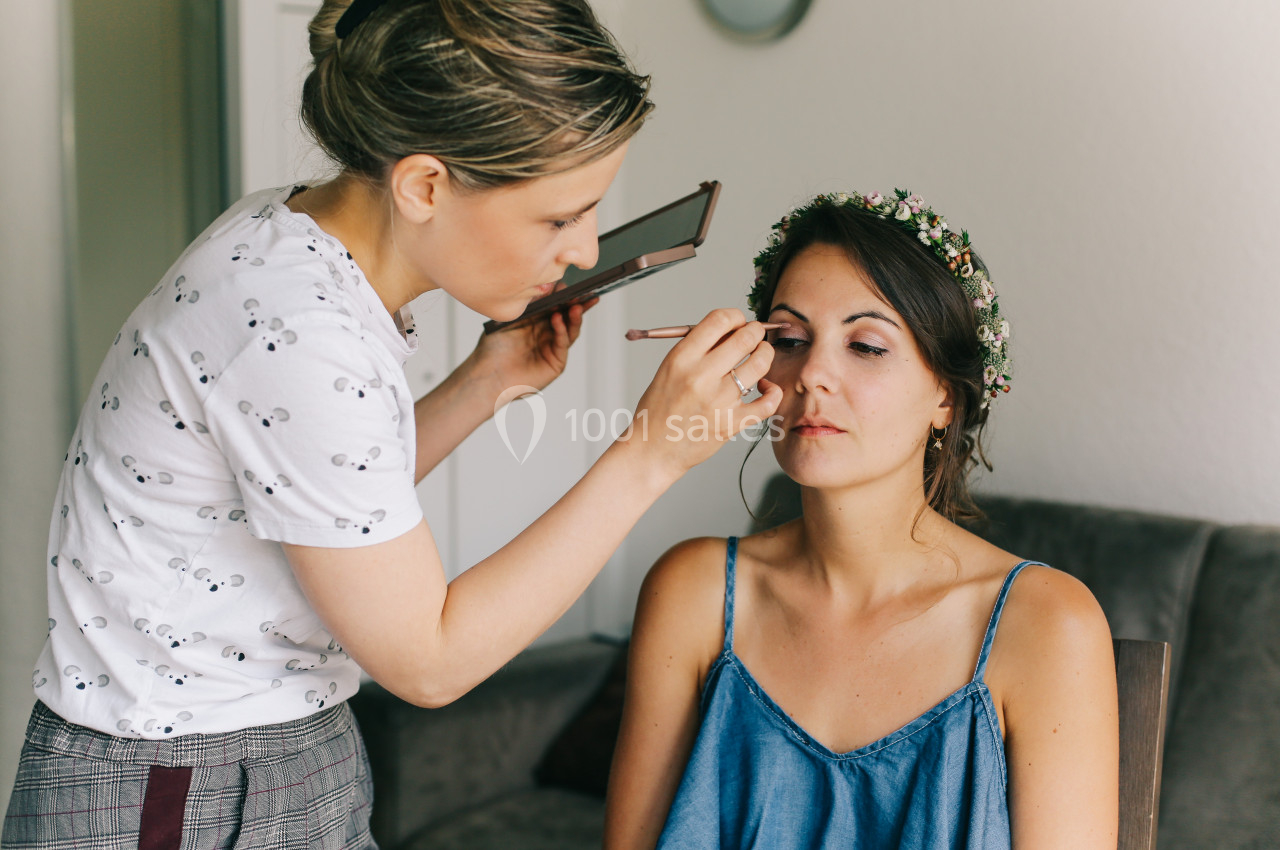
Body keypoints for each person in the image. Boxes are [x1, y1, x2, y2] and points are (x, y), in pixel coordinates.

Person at [1, 1, 781, 847]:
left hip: (277, 745)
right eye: (559, 217)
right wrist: (649, 457)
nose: (587, 251)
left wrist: (485, 382)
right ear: (424, 186)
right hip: (181, 779)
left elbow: (327, 501)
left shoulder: (291, 240)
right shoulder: (294, 328)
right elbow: (429, 662)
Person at [604, 191, 1119, 849]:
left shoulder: (1048, 624)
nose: (813, 373)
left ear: (945, 396)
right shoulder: (694, 591)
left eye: (867, 346)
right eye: (788, 339)